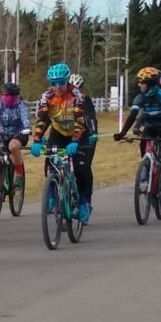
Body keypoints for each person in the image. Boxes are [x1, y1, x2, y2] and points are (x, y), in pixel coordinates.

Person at [32, 62, 95, 221]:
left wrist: (75, 140)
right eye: (54, 83)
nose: (58, 87)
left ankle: (82, 203)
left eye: (61, 83)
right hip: (59, 132)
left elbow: (80, 119)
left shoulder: (77, 95)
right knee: (50, 162)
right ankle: (52, 194)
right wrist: (37, 139)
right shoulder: (47, 97)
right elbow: (43, 119)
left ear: (67, 81)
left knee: (81, 168)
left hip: (78, 133)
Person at [114, 66, 161, 215]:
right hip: (150, 127)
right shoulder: (140, 97)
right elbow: (132, 116)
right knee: (144, 143)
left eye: (141, 82)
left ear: (150, 83)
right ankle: (145, 168)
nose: (139, 85)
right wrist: (122, 132)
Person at [0, 81, 31, 190]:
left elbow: (25, 118)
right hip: (3, 135)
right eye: (2, 95)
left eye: (7, 95)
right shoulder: (0, 104)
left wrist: (27, 128)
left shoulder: (20, 105)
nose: (4, 97)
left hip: (19, 134)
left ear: (14, 96)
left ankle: (19, 174)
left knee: (13, 147)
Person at [68, 73, 99, 222]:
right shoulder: (64, 98)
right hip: (69, 135)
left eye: (78, 87)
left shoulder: (85, 100)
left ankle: (86, 200)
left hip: (86, 136)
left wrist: (93, 133)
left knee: (83, 168)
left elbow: (91, 117)